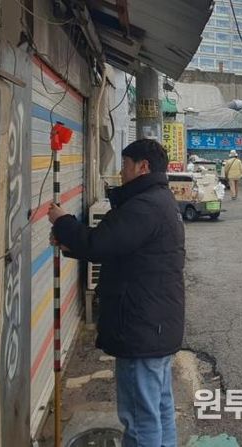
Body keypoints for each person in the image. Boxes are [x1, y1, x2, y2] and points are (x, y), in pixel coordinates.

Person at [48, 139, 185, 446]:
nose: (121, 172)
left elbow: (100, 243)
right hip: (156, 326)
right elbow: (122, 248)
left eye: (125, 165)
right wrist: (71, 245)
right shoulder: (159, 201)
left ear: (143, 167)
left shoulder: (145, 206)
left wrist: (62, 221)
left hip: (141, 328)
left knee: (140, 419)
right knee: (159, 409)